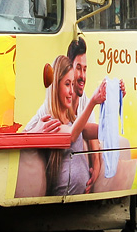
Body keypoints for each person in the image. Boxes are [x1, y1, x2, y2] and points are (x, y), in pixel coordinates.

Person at [41, 55, 106, 195]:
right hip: (64, 200)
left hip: (76, 200)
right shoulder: (50, 121)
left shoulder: (72, 120)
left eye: (72, 84)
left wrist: (112, 98)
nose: (72, 91)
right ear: (56, 86)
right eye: (67, 84)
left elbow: (101, 130)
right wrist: (93, 101)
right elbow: (70, 136)